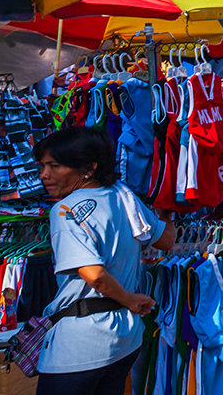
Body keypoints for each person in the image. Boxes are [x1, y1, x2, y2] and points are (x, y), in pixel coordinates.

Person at [31, 127, 176, 395]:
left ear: (89, 167)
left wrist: (131, 299)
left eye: (54, 166)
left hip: (79, 347)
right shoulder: (123, 196)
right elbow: (166, 239)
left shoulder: (65, 209)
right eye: (42, 166)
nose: (44, 175)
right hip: (123, 339)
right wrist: (166, 209)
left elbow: (94, 274)